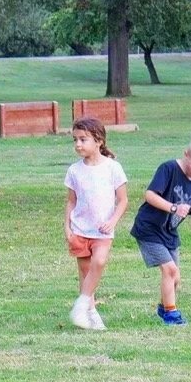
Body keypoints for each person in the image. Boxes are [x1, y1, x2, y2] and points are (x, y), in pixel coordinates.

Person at [130, 129, 191, 325]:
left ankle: (163, 308)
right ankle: (171, 314)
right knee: (170, 271)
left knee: (176, 277)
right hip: (149, 229)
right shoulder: (169, 169)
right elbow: (150, 195)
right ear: (186, 154)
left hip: (169, 234)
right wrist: (173, 208)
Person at [63, 116, 128, 331]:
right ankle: (90, 313)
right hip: (80, 230)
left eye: (83, 139)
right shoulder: (74, 171)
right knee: (85, 273)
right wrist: (67, 227)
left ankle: (81, 306)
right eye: (75, 140)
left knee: (98, 263)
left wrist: (112, 221)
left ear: (99, 141)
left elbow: (123, 200)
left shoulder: (113, 168)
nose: (78, 144)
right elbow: (71, 201)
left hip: (102, 231)